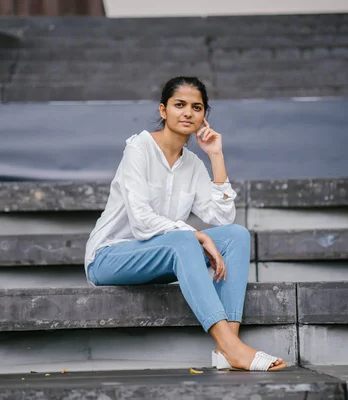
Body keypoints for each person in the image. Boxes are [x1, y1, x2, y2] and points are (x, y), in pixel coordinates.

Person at [84, 76, 287, 372]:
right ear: (163, 110)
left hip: (159, 255)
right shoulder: (138, 149)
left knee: (237, 236)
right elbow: (141, 222)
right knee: (184, 239)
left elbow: (222, 218)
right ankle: (233, 350)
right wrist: (195, 235)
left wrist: (216, 156)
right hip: (109, 257)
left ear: (204, 115)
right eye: (179, 105)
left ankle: (227, 345)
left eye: (197, 107)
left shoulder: (192, 163)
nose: (188, 113)